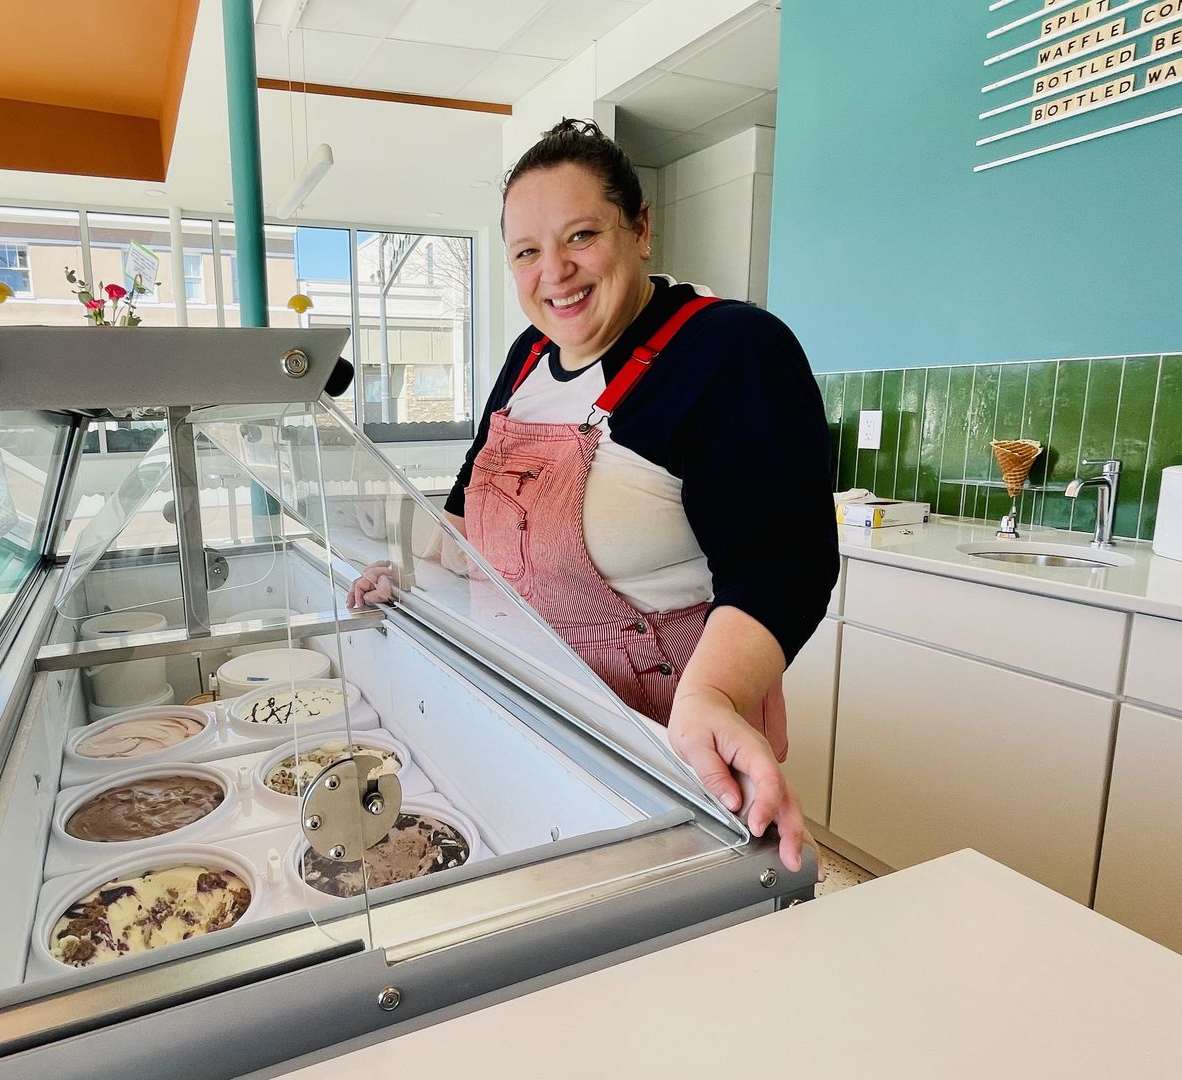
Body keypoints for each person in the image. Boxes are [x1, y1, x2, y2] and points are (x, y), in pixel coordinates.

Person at [350, 119, 838, 873]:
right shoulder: (528, 356)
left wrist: (711, 696)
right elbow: (468, 514)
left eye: (581, 236)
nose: (556, 273)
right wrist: (406, 577)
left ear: (641, 228)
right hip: (537, 706)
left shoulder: (731, 350)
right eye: (526, 252)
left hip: (661, 740)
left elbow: (784, 564)